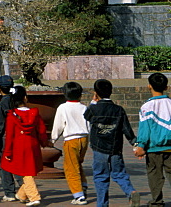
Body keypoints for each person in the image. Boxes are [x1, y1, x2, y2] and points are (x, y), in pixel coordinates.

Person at [83, 78, 141, 207]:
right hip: (115, 148)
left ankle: (102, 204)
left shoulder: (94, 109)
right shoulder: (118, 110)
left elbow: (86, 116)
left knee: (100, 177)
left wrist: (93, 102)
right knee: (119, 174)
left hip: (99, 148)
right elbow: (127, 129)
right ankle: (130, 192)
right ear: (111, 92)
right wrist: (135, 144)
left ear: (96, 93)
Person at [0, 85, 51, 206]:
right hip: (32, 144)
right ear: (25, 98)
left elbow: (10, 136)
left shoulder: (12, 116)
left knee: (25, 173)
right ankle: (21, 194)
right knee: (29, 170)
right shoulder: (34, 113)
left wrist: (7, 152)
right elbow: (41, 130)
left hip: (18, 146)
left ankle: (34, 197)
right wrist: (44, 142)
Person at [133, 71, 171, 207]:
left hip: (154, 148)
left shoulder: (146, 107)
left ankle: (157, 201)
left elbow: (144, 129)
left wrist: (141, 145)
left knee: (155, 176)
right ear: (166, 87)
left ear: (149, 86)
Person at [52, 80, 90, 205]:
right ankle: (83, 185)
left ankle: (78, 194)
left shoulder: (63, 107)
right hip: (84, 138)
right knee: (78, 163)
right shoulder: (84, 107)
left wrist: (53, 139)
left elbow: (58, 126)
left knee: (70, 168)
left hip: (71, 139)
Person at [0, 74, 19, 203]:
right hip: (18, 135)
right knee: (18, 163)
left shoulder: (0, 105)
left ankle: (9, 192)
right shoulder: (16, 101)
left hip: (6, 138)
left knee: (4, 166)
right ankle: (25, 187)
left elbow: (0, 125)